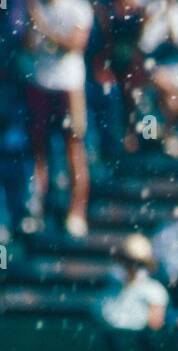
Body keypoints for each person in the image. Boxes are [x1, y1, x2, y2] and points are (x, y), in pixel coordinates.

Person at [22, 0, 93, 237]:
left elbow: (74, 45)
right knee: (38, 151)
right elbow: (29, 46)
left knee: (74, 149)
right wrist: (32, 28)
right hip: (40, 83)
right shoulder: (35, 7)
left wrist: (42, 25)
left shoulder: (78, 8)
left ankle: (77, 211)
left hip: (69, 86)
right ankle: (37, 208)